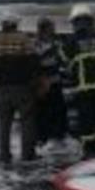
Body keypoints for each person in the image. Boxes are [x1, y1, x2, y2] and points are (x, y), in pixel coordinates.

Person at [0, 13, 41, 164]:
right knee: (27, 121)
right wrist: (36, 82)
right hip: (22, 87)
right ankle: (28, 154)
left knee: (4, 123)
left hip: (1, 88)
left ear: (2, 25)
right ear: (16, 24)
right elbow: (34, 63)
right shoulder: (24, 40)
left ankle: (4, 155)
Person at [63, 4, 95, 158]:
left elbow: (65, 62)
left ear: (76, 22)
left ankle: (89, 151)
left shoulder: (72, 40)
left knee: (86, 121)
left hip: (84, 88)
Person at [35, 18, 68, 149]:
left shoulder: (56, 43)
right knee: (43, 111)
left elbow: (62, 60)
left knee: (59, 109)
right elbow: (36, 62)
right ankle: (43, 138)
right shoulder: (36, 45)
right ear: (44, 29)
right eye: (51, 28)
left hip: (55, 82)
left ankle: (58, 136)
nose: (53, 30)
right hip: (43, 83)